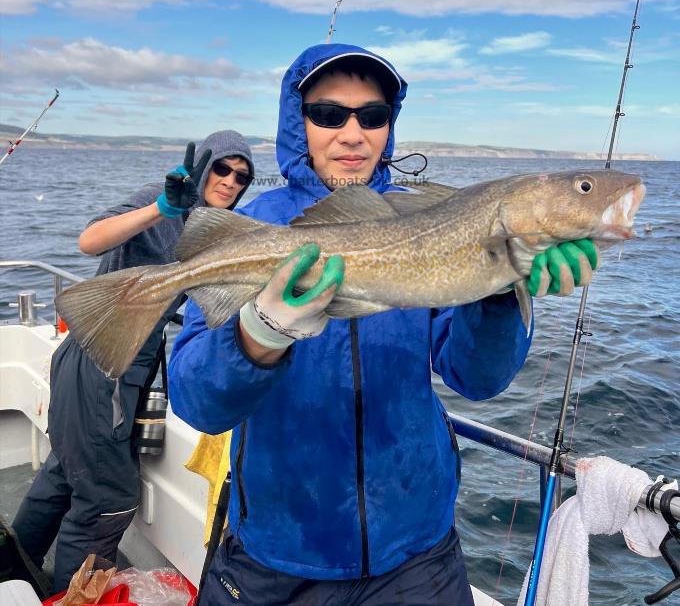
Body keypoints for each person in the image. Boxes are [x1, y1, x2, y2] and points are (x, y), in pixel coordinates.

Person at [169, 45, 598, 606]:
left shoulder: (428, 220)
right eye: (328, 114)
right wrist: (260, 332)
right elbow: (196, 401)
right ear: (296, 122)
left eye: (373, 116)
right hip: (278, 554)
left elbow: (478, 380)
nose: (353, 134)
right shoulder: (248, 227)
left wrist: (496, 293)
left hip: (416, 553)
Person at [13, 130, 255, 594]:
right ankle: (73, 599)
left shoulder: (220, 228)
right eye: (221, 168)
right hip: (103, 359)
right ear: (203, 164)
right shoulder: (159, 200)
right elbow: (90, 241)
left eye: (241, 176)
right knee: (108, 500)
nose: (229, 181)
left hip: (131, 363)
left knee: (64, 472)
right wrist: (162, 210)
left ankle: (14, 570)